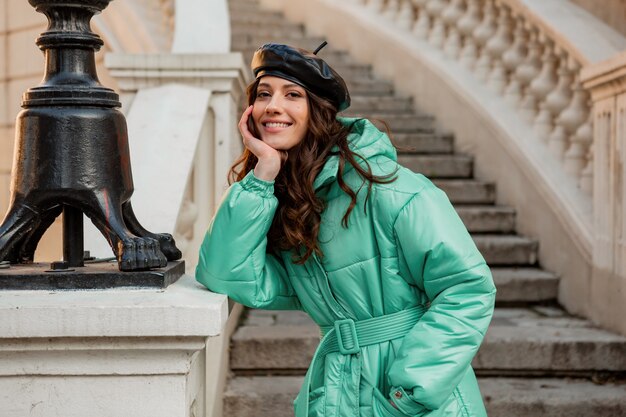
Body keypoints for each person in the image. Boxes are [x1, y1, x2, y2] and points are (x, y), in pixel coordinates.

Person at [196, 43, 496, 417]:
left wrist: (410, 391)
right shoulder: (290, 203)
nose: (272, 106)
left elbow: (467, 286)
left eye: (292, 95)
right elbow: (226, 275)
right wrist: (263, 176)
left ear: (318, 112)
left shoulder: (391, 188)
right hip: (337, 388)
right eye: (263, 94)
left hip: (412, 395)